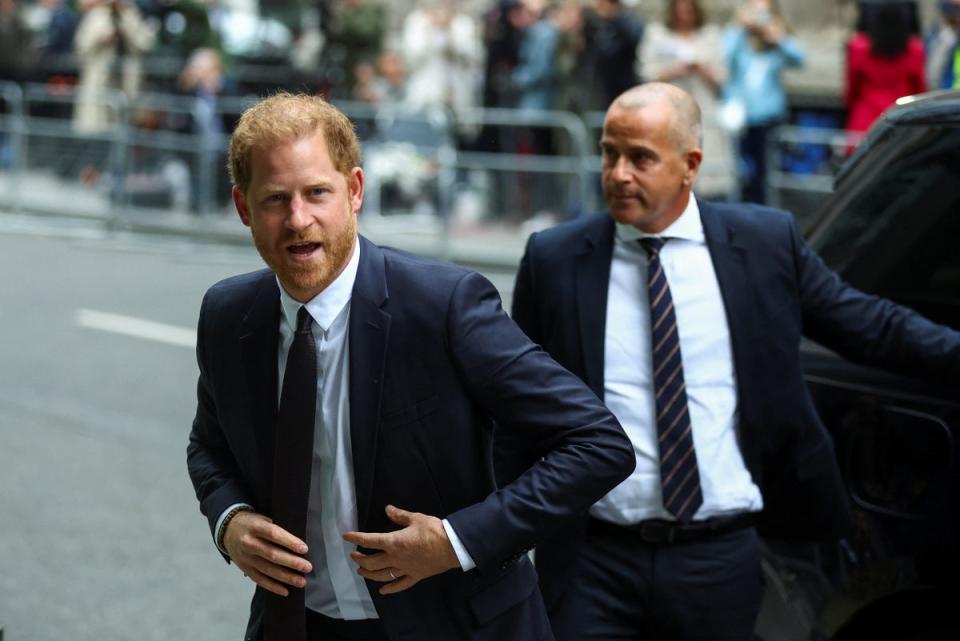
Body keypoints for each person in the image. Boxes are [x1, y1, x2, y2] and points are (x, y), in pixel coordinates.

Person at [502, 82, 960, 641]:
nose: (619, 173)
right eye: (609, 153)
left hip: (718, 557)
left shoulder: (763, 244)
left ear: (690, 164)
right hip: (591, 560)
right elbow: (515, 404)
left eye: (640, 157)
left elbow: (871, 325)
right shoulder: (556, 259)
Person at [186, 92, 635, 641]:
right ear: (242, 207)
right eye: (276, 199)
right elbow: (208, 446)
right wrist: (229, 519)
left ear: (354, 191)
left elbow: (597, 443)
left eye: (317, 193)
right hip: (299, 626)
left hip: (456, 625)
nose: (298, 220)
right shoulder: (227, 314)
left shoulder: (443, 305)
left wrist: (458, 541)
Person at [640, 0, 736, 199]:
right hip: (668, 111)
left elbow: (724, 77)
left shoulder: (711, 35)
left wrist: (700, 68)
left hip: (703, 111)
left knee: (703, 169)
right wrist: (676, 70)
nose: (684, 14)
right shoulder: (657, 34)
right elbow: (645, 73)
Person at [723, 0, 804, 203]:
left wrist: (778, 38)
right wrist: (739, 28)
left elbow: (800, 59)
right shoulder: (740, 40)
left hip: (768, 117)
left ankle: (765, 212)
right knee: (738, 172)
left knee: (766, 173)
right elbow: (724, 56)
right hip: (740, 118)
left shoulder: (774, 46)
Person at [844, 2, 925, 139]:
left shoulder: (858, 47)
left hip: (865, 120)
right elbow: (919, 89)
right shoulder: (915, 49)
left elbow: (852, 88)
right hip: (903, 119)